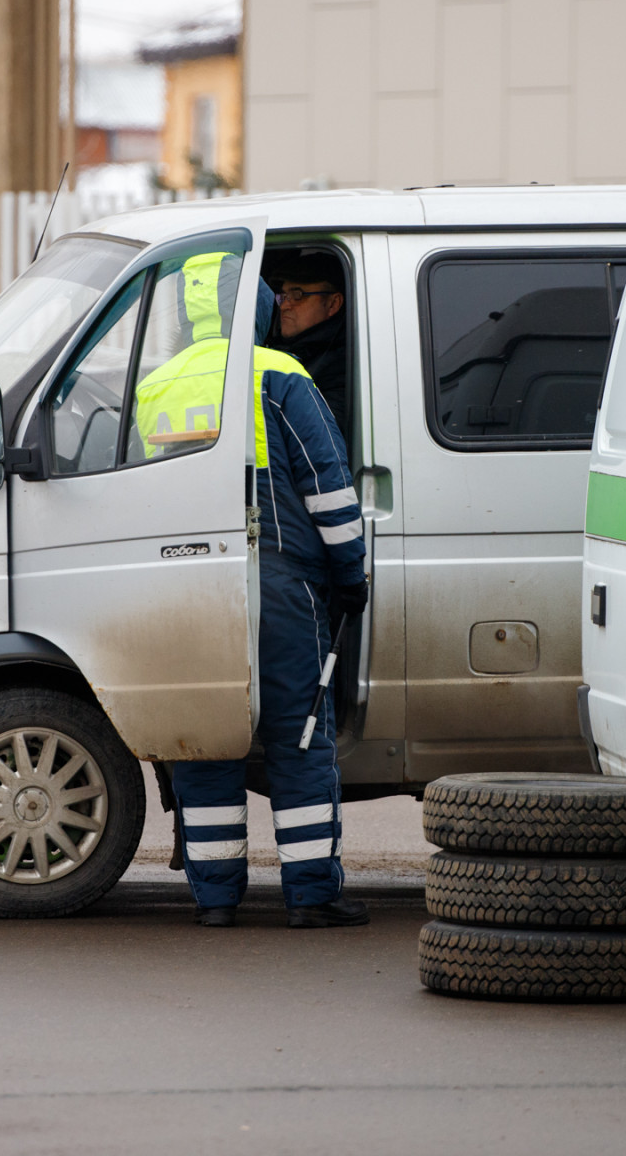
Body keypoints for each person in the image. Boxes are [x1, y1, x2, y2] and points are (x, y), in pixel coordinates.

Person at [161, 269, 371, 929]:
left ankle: (215, 901)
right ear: (251, 302)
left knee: (205, 739)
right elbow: (326, 484)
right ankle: (310, 897)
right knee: (299, 738)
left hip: (188, 587)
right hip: (279, 582)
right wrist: (351, 572)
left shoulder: (157, 386)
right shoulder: (277, 373)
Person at [270, 251, 350, 439]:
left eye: (297, 295)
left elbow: (314, 437)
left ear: (333, 304)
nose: (284, 306)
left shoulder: (342, 368)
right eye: (283, 296)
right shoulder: (288, 352)